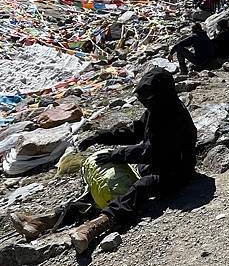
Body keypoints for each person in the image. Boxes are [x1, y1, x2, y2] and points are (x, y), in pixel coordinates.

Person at [10, 68, 198, 254]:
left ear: (161, 93)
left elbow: (151, 150)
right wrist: (99, 137)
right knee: (103, 187)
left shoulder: (173, 115)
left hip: (177, 170)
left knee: (143, 185)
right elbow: (134, 132)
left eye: (147, 99)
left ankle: (96, 226)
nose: (144, 104)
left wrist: (116, 155)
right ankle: (48, 219)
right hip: (155, 164)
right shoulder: (155, 109)